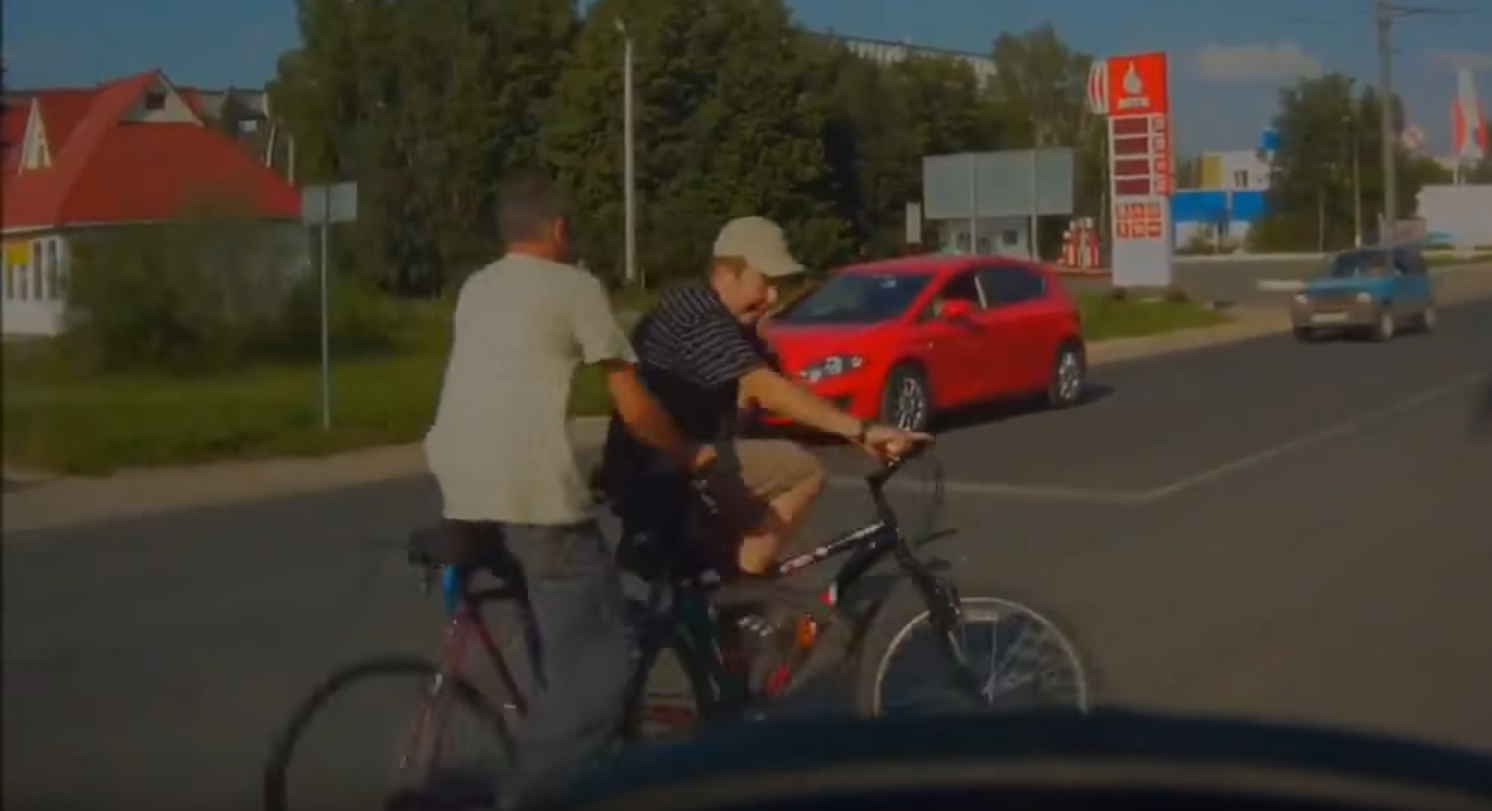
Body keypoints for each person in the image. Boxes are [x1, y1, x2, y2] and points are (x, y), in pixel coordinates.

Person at [421, 170, 712, 809]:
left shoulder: (475, 287)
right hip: (532, 499)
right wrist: (689, 451)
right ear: (557, 230)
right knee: (601, 672)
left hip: (460, 491)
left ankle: (565, 755)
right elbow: (635, 409)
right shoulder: (572, 286)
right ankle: (525, 796)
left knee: (561, 646)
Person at [600, 215, 930, 581]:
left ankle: (726, 594)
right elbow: (763, 388)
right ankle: (743, 595)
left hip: (679, 459)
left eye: (779, 286)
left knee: (755, 517)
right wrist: (861, 430)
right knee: (802, 471)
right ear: (726, 272)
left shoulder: (731, 326)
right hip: (657, 463)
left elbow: (759, 400)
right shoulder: (691, 308)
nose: (773, 297)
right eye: (765, 283)